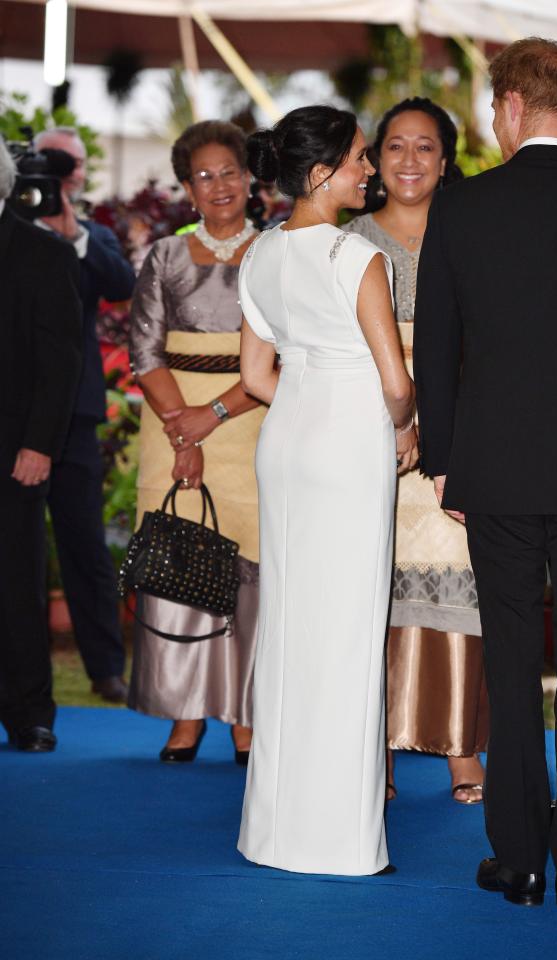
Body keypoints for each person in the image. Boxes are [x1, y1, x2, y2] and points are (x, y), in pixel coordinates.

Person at [414, 37, 557, 909]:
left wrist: (444, 463)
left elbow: (438, 341)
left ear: (509, 105)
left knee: (510, 664)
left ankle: (518, 860)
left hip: (495, 473)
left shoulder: (463, 207)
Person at [237, 105, 418, 876]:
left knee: (289, 630)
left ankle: (272, 832)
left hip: (287, 442)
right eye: (358, 159)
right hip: (349, 446)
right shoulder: (357, 258)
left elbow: (254, 378)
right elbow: (398, 385)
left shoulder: (258, 252)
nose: (370, 171)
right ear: (319, 173)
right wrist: (402, 428)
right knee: (345, 635)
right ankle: (341, 843)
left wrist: (313, 403)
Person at [345, 98, 488, 805]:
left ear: (446, 157)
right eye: (393, 146)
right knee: (371, 591)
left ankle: (464, 749)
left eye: (424, 147)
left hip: (456, 440)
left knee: (461, 585)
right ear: (372, 160)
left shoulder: (477, 231)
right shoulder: (347, 239)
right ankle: (380, 755)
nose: (408, 161)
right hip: (365, 437)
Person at [128, 121, 265, 764]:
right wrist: (183, 427)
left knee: (249, 573)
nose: (219, 186)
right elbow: (144, 351)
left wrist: (210, 417)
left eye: (229, 171)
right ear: (187, 187)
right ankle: (184, 711)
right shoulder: (164, 256)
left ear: (251, 177)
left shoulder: (275, 254)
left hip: (251, 419)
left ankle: (244, 714)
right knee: (176, 565)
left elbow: (288, 356)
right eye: (204, 175)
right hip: (170, 425)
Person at [33, 127, 136, 704]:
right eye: (51, 160)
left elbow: (121, 285)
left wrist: (71, 234)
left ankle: (105, 670)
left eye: (67, 160)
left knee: (86, 549)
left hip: (72, 416)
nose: (60, 168)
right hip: (15, 414)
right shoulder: (14, 230)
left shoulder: (89, 234)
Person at [0, 138, 82, 751]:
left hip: (14, 451)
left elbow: (62, 362)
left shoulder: (41, 253)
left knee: (16, 584)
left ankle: (29, 712)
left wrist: (39, 444)